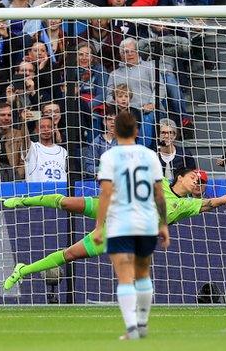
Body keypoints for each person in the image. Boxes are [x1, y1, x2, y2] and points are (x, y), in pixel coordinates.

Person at [2, 167, 226, 307]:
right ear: (180, 176)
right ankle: (22, 200)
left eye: (201, 182)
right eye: (195, 178)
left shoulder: (190, 205)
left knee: (70, 255)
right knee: (65, 202)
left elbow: (220, 200)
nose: (198, 183)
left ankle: (22, 270)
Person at [91, 111, 168, 340]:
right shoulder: (150, 155)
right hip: (146, 223)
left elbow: (105, 193)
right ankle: (142, 323)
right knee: (143, 274)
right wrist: (163, 224)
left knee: (124, 276)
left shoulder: (109, 157)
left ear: (114, 131)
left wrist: (98, 226)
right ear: (137, 130)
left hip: (120, 224)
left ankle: (132, 328)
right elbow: (159, 193)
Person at [24, 116, 68, 182]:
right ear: (36, 130)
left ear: (54, 130)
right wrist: (23, 122)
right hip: (38, 191)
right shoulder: (33, 147)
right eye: (42, 127)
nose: (46, 129)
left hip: (59, 191)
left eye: (49, 127)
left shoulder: (63, 151)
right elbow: (24, 138)